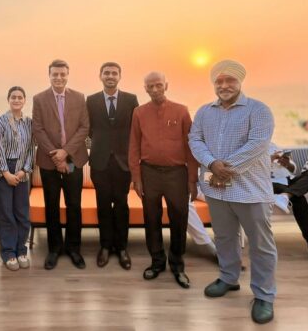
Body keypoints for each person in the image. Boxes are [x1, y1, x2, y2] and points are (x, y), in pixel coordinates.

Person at [188, 60, 277, 325]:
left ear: (240, 82)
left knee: (260, 244)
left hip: (251, 190)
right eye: (219, 81)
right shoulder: (205, 112)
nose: (224, 85)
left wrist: (225, 168)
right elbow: (195, 139)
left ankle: (264, 295)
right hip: (216, 190)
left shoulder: (258, 110)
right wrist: (212, 164)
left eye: (230, 80)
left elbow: (258, 144)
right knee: (225, 237)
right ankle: (229, 278)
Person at [129, 72, 198, 288]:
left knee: (179, 218)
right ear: (145, 89)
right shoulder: (139, 112)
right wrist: (136, 177)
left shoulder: (181, 111)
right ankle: (157, 261)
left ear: (166, 85)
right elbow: (134, 146)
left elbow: (191, 146)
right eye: (150, 86)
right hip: (149, 173)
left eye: (158, 85)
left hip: (177, 174)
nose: (155, 89)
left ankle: (177, 265)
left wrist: (192, 179)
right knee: (151, 218)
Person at [32, 59, 90, 270]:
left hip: (74, 161)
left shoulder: (79, 97)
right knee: (52, 205)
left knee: (74, 205)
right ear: (49, 75)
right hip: (49, 163)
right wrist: (57, 157)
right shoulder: (39, 99)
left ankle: (74, 249)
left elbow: (84, 128)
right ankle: (54, 249)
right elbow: (38, 129)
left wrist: (65, 153)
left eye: (62, 74)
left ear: (67, 75)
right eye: (55, 74)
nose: (59, 78)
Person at [86, 62, 139, 270]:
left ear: (119, 76)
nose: (110, 76)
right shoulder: (91, 100)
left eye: (114, 73)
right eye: (106, 73)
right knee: (103, 205)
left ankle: (122, 247)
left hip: (123, 162)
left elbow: (135, 130)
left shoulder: (131, 99)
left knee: (122, 205)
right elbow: (89, 129)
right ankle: (105, 246)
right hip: (99, 162)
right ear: (100, 76)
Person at [0, 86, 35, 271]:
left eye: (20, 97)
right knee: (6, 213)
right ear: (8, 99)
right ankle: (9, 253)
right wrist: (6, 173)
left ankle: (21, 250)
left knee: (22, 213)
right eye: (13, 97)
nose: (16, 100)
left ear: (24, 100)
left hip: (22, 171)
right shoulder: (0, 121)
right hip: (4, 170)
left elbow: (31, 148)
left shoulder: (29, 123)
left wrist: (25, 170)